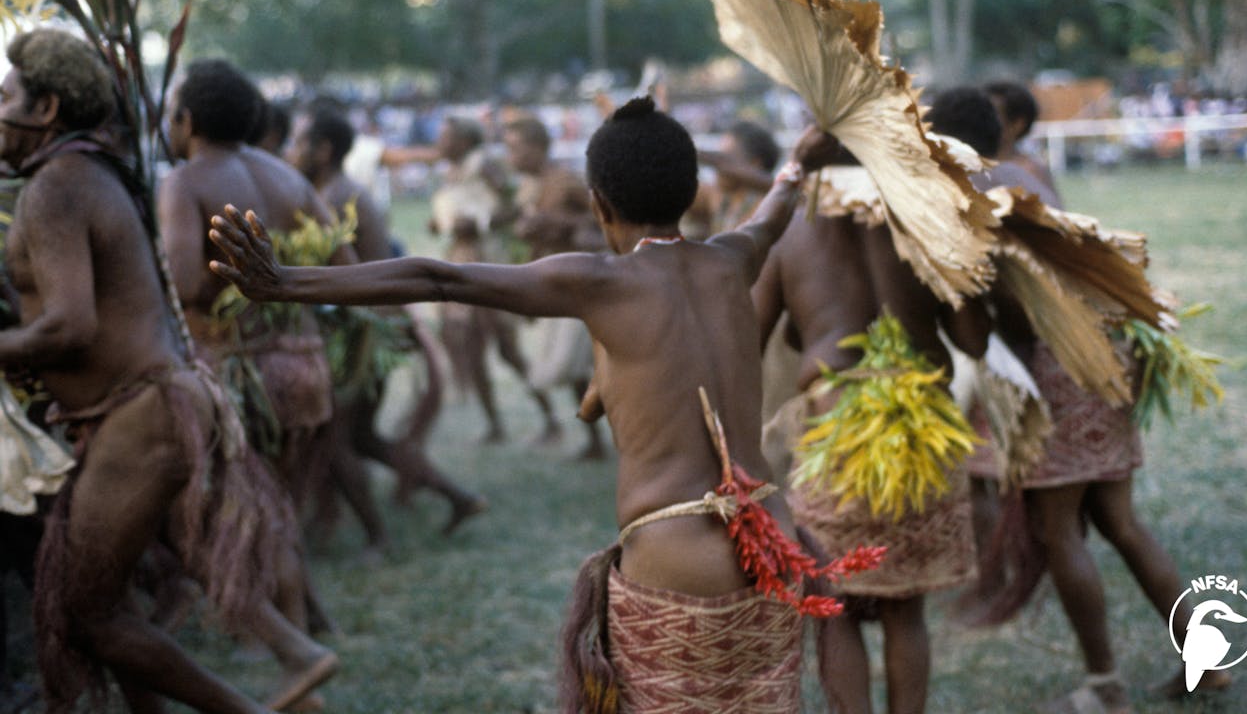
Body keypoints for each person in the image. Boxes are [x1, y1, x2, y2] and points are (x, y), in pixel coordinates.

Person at [209, 97, 846, 713]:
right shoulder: (734, 258)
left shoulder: (600, 281)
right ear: (689, 192)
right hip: (772, 546)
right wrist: (796, 160)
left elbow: (439, 277)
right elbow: (773, 211)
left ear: (599, 205)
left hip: (676, 560)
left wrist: (287, 283)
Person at [0, 29, 331, 713]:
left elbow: (70, 325)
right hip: (157, 403)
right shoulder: (87, 173)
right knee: (114, 591)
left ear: (45, 107)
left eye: (4, 96)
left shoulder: (55, 187)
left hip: (140, 414)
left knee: (90, 615)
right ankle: (296, 649)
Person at [927, 86, 1228, 712]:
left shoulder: (971, 200)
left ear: (943, 142)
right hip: (1109, 352)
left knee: (1058, 529)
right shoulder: (1026, 172)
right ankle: (1207, 664)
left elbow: (989, 323)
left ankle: (1104, 685)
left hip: (1060, 366)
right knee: (1121, 523)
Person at [753, 197, 989, 712]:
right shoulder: (924, 217)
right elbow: (974, 339)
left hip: (836, 426)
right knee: (905, 610)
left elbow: (749, 335)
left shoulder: (791, 229)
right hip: (923, 428)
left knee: (834, 607)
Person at [158, 58, 342, 699]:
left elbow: (185, 283)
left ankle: (305, 668)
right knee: (279, 509)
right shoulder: (287, 176)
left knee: (258, 519)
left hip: (240, 370)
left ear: (187, 119)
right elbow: (342, 262)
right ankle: (310, 631)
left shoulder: (185, 182)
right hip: (303, 359)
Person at [287, 104, 486, 544]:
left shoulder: (335, 197)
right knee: (361, 438)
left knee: (337, 442)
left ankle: (377, 537)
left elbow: (348, 272)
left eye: (299, 141)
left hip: (368, 332)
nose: (291, 149)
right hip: (376, 327)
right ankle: (458, 497)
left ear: (323, 149)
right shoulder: (335, 191)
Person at [430, 115, 559, 444]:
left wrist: (482, 224)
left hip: (488, 263)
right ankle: (495, 425)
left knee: (506, 348)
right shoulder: (451, 173)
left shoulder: (483, 165)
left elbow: (515, 204)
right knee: (471, 348)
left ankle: (551, 418)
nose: (440, 143)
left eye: (446, 136)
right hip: (461, 262)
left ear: (464, 141)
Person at [502, 115, 605, 459]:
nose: (510, 156)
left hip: (579, 286)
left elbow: (604, 215)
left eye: (516, 148)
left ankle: (623, 441)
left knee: (579, 368)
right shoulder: (528, 186)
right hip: (553, 287)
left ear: (538, 147)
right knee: (576, 372)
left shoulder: (564, 180)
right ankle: (595, 443)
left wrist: (555, 223)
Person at [982, 81, 1060, 202]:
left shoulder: (1030, 171)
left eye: (991, 115)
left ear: (1017, 124)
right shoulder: (971, 164)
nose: (980, 120)